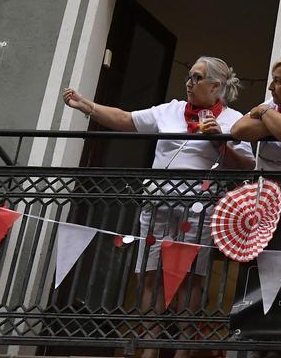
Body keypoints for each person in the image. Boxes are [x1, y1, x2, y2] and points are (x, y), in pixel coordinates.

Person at [61, 57, 252, 358]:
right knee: (151, 275)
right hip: (157, 203)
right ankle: (149, 348)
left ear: (215, 86)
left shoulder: (234, 121)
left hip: (198, 212)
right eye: (189, 76)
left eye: (196, 78)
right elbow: (126, 119)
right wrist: (88, 105)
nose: (188, 83)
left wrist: (220, 140)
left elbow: (246, 167)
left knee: (190, 279)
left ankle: (182, 350)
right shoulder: (172, 109)